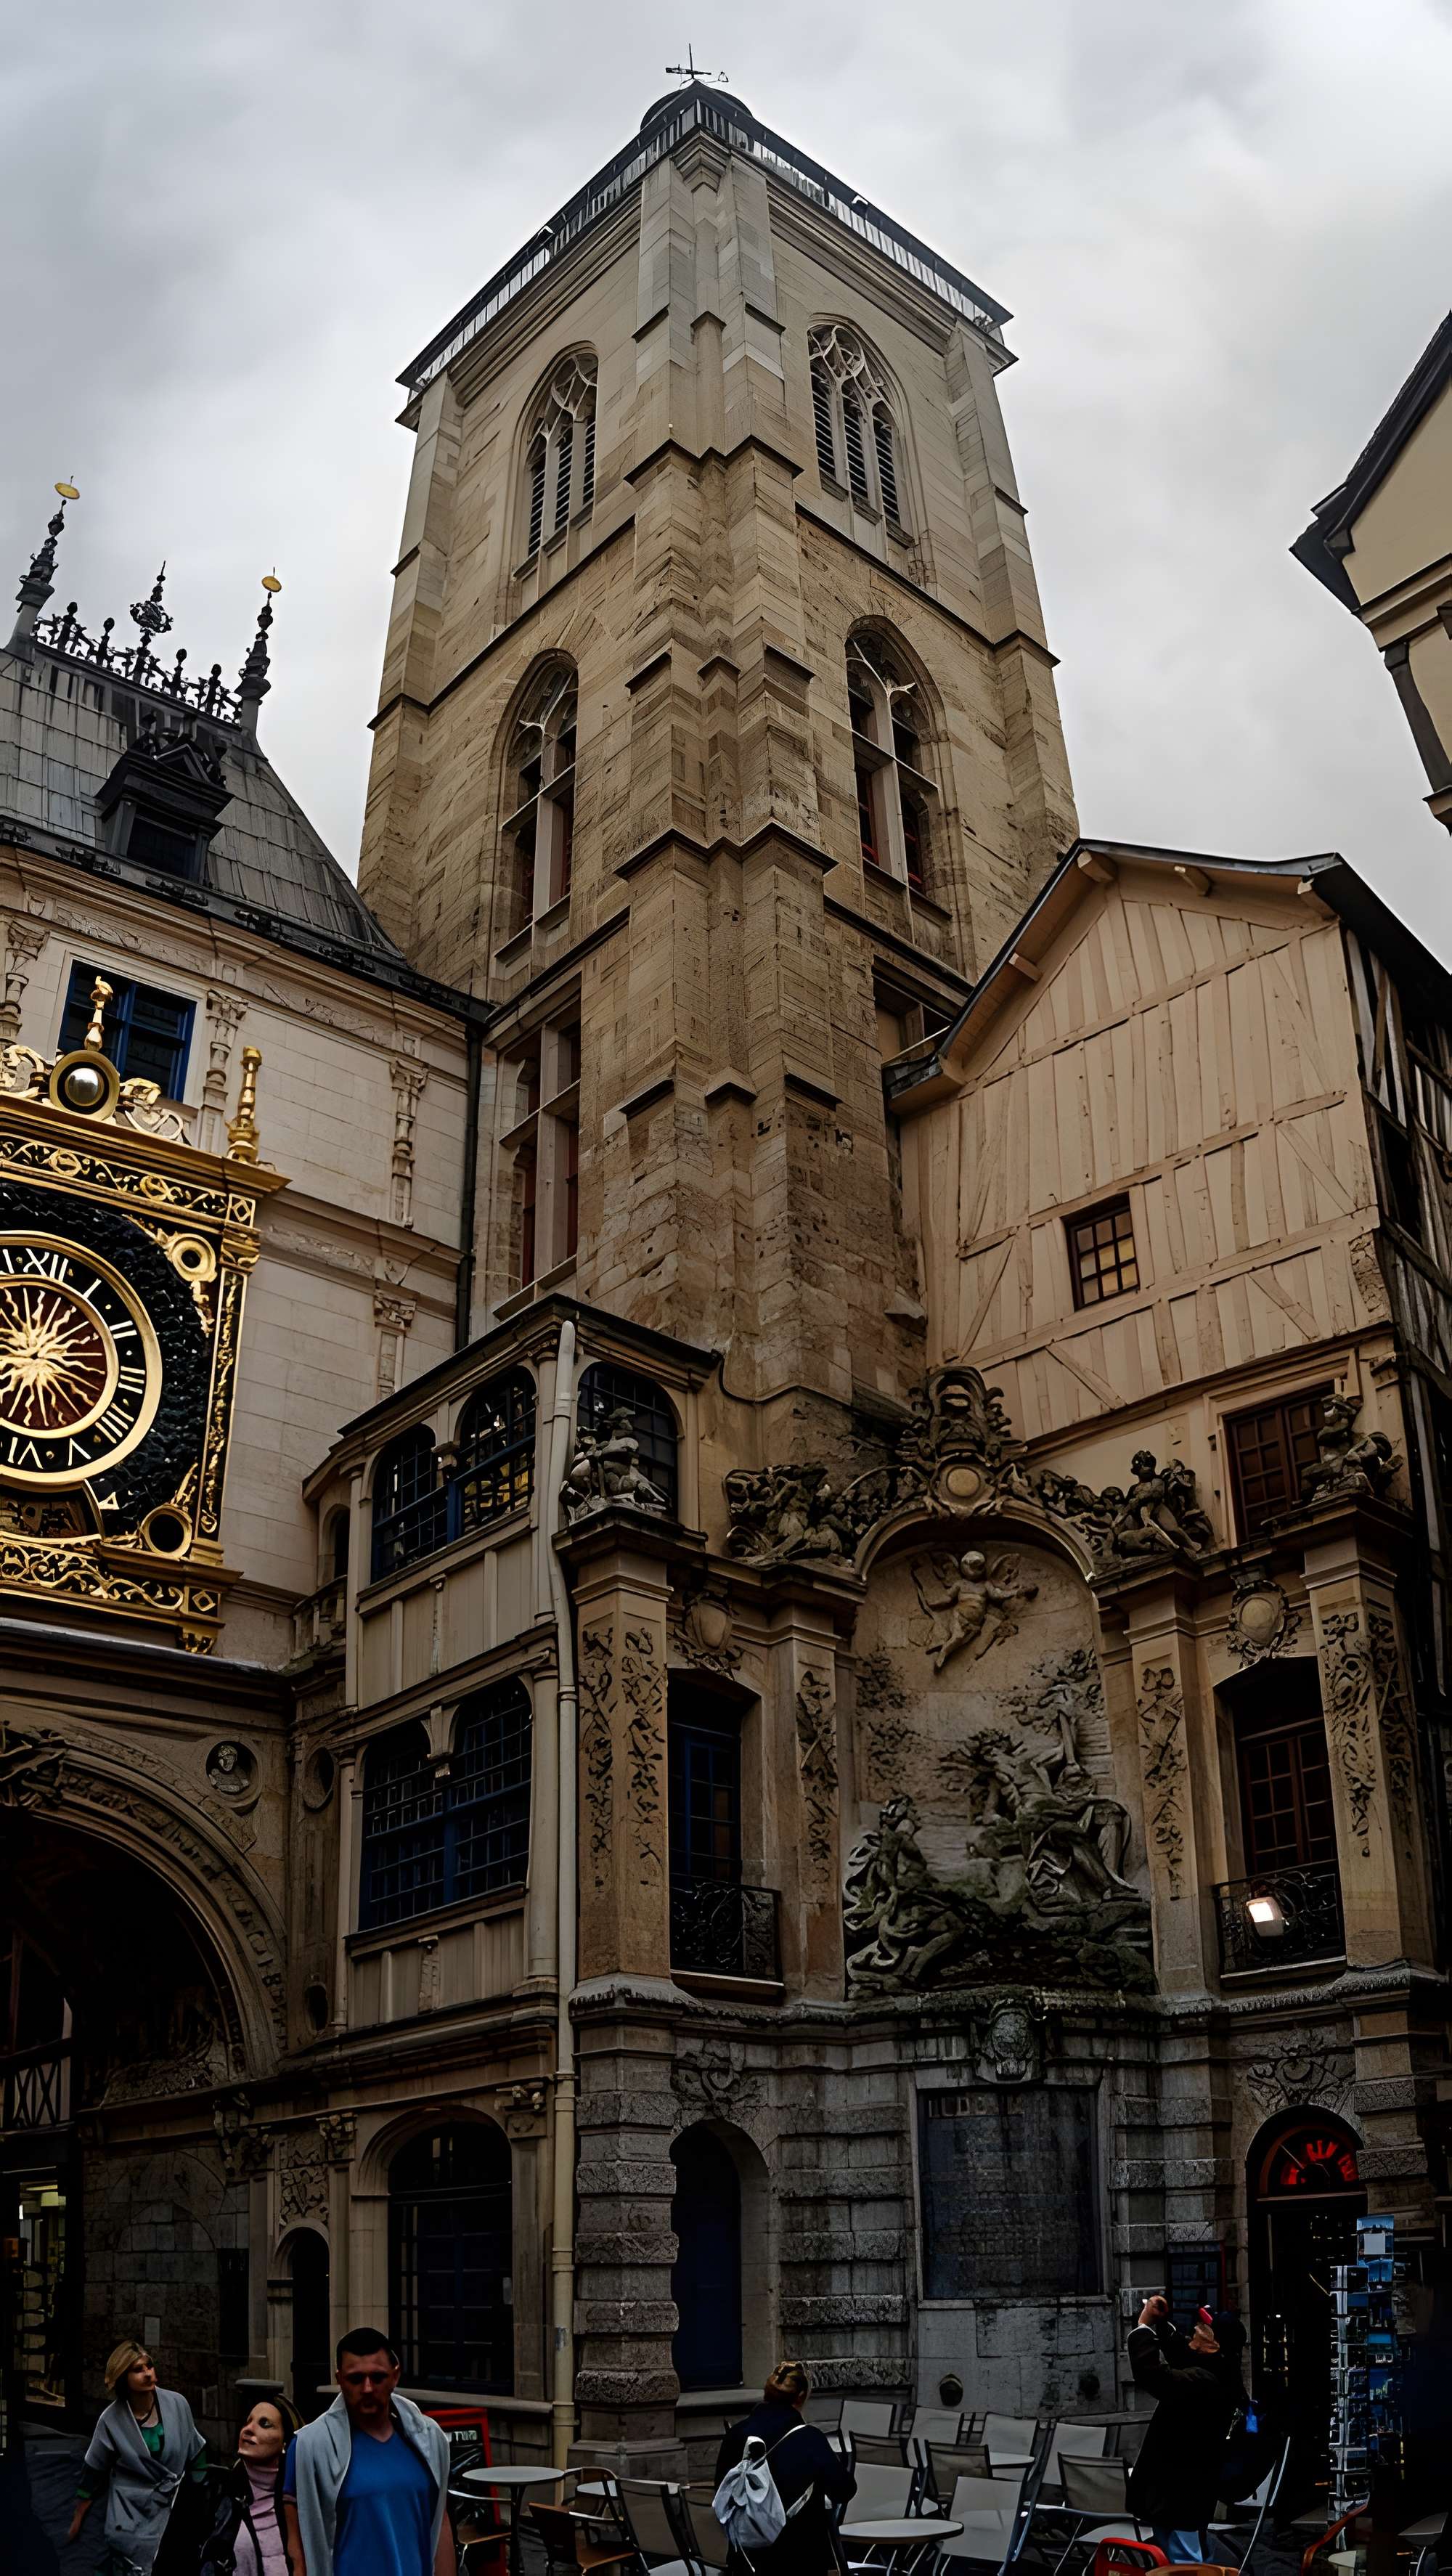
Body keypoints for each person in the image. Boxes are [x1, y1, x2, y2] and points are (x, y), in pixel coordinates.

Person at [282, 2329, 454, 2576]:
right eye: (355, 2379)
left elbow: (439, 2522)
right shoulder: (309, 2447)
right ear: (339, 2380)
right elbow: (298, 2552)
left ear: (395, 2376)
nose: (367, 2388)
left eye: (378, 2377)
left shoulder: (429, 2439)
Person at [67, 2339, 208, 2573]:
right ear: (123, 2377)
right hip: (131, 2514)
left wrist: (198, 2494)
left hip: (174, 2511)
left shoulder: (177, 2404)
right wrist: (78, 2516)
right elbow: (93, 2471)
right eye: (138, 2370)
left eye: (149, 2366)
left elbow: (197, 2452)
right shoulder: (111, 2420)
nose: (148, 2373)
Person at [1126, 2294, 1248, 2564]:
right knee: (1182, 2553)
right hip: (1183, 2487)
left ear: (1214, 2344)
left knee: (1185, 2560)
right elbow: (1182, 2353)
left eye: (1203, 2329)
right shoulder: (1217, 2367)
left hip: (1181, 2490)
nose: (1194, 2329)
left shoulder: (1206, 2381)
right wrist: (1161, 2323)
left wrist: (1143, 2327)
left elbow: (1153, 2376)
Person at [712, 2360, 856, 2573]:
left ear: (766, 2394)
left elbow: (721, 2490)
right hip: (798, 2558)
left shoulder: (737, 2434)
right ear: (801, 2396)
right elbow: (844, 2490)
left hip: (746, 2558)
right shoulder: (809, 2438)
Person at [199, 2397, 301, 2576]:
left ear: (284, 2444)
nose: (248, 2429)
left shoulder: (298, 2498)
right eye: (248, 2422)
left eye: (265, 2424)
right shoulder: (214, 2493)